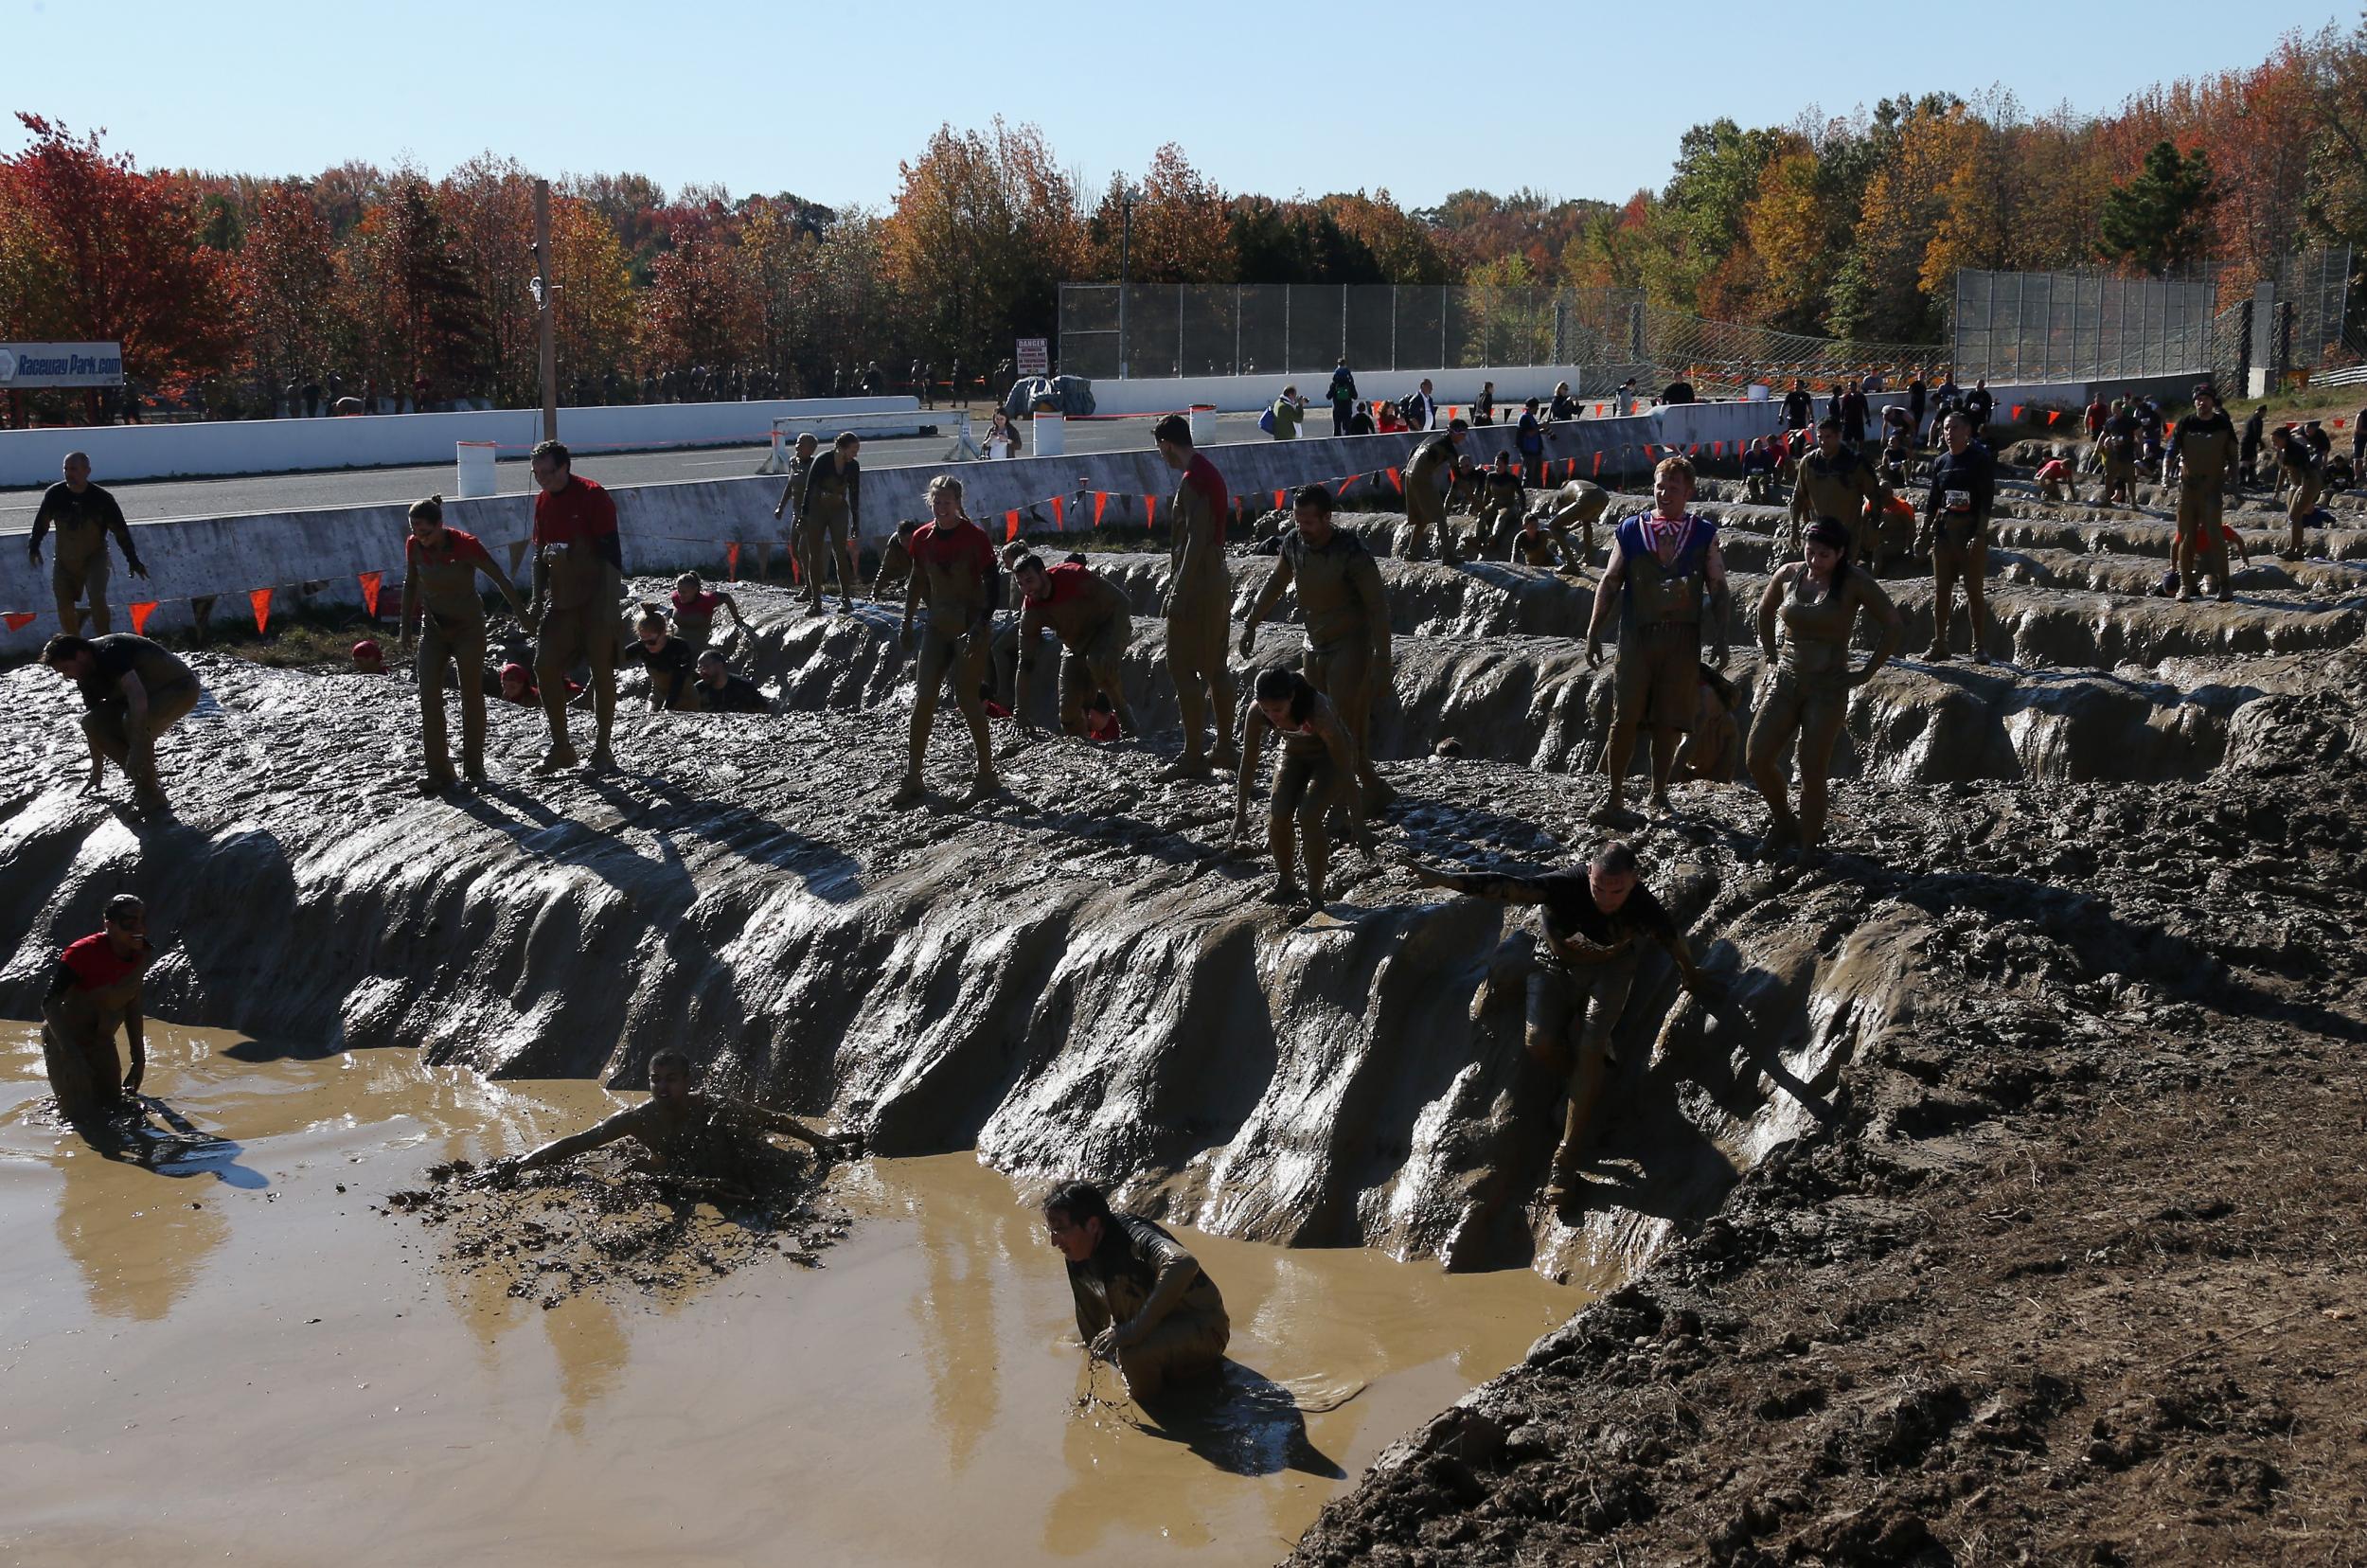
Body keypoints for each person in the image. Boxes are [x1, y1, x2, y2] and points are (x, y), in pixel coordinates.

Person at [1405, 840, 1722, 1205]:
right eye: (1599, 887)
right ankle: (1582, 1090)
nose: (1606, 898)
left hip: (1611, 971)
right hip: (1554, 964)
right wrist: (1446, 879)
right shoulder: (1565, 884)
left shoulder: (1642, 906)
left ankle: (1566, 1162)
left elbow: (1673, 941)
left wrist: (1691, 976)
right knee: (1537, 1041)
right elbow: (1506, 884)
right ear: (1589, 873)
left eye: (1616, 890)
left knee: (1592, 1046)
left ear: (1633, 881)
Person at [1746, 517, 1905, 862]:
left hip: (1827, 689)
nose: (1815, 560)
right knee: (1757, 756)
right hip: (1786, 681)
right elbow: (1764, 609)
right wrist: (1771, 656)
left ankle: (1808, 845)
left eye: (1824, 555)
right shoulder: (1789, 574)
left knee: (1811, 768)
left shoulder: (1854, 582)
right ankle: (1784, 821)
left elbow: (1893, 625)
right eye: (1810, 550)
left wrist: (1865, 673)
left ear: (1840, 554)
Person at [1584, 455, 1731, 823]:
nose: (1664, 494)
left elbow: (1719, 586)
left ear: (1689, 492)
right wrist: (1593, 630)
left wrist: (1723, 636)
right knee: (1625, 717)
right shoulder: (1631, 530)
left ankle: (1658, 794)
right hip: (1636, 639)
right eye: (1659, 487)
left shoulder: (1703, 535)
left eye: (1673, 488)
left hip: (1682, 642)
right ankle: (1614, 796)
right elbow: (1611, 581)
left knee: (1668, 721)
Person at [1239, 483, 1395, 811]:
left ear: (1327, 518)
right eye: (1297, 520)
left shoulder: (1351, 551)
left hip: (1350, 644)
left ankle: (1340, 804)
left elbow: (1378, 607)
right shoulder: (1294, 544)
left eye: (1309, 522)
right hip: (1314, 644)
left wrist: (1382, 659)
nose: (1302, 528)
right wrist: (1252, 622)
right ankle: (1373, 787)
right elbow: (1277, 582)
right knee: (1315, 723)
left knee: (1342, 726)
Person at [502, 1048, 858, 1187]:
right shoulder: (638, 1119)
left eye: (671, 1079)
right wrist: (522, 1163)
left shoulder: (712, 1105)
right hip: (674, 1169)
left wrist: (821, 1143)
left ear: (688, 1082)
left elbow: (772, 1120)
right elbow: (582, 1141)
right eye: (655, 1079)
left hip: (721, 1163)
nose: (662, 1087)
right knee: (656, 1170)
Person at [1043, 1180, 1229, 1401]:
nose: (1054, 1241)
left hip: (1206, 1328)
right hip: (1159, 1330)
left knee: (1133, 1356)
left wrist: (1134, 1329)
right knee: (1108, 1346)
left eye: (1060, 1229)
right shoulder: (1077, 1252)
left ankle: (1157, 1415)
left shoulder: (1134, 1236)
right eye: (1051, 1230)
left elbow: (1182, 1263)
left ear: (1092, 1225)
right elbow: (1091, 1328)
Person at [399, 493, 528, 793]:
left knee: (471, 696)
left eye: (427, 533)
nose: (421, 538)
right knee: (429, 698)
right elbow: (411, 583)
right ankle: (439, 771)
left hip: (469, 630)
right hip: (433, 630)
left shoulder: (466, 545)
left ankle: (474, 768)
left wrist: (524, 616)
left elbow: (500, 579)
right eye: (415, 532)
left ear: (441, 525)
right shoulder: (414, 546)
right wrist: (405, 627)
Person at [896, 473, 1000, 807]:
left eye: (947, 502)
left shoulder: (975, 538)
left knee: (967, 698)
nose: (941, 507)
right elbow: (916, 579)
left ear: (958, 503)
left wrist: (982, 622)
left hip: (970, 625)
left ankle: (986, 775)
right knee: (924, 697)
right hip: (937, 624)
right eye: (936, 501)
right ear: (931, 502)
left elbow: (994, 583)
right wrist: (908, 620)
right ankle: (914, 776)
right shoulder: (922, 538)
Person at [1230, 667, 1371, 911]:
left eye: (1278, 709)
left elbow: (1346, 768)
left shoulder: (1318, 711)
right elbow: (1248, 761)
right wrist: (1239, 814)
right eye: (1266, 710)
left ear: (1291, 698)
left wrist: (1358, 822)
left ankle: (1315, 894)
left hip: (1330, 758)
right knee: (1279, 813)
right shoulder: (1257, 712)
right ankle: (1286, 881)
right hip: (1293, 753)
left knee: (1309, 816)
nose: (1273, 716)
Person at [525, 439, 622, 771]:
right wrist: (536, 598)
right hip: (561, 598)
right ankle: (562, 746)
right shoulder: (541, 502)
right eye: (536, 474)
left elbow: (612, 553)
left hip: (596, 595)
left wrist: (611, 609)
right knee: (544, 666)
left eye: (548, 472)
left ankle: (603, 749)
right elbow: (538, 553)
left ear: (565, 467)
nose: (543, 479)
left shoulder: (593, 495)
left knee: (601, 668)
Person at [1153, 413, 1237, 777]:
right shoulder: (1208, 472)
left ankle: (1193, 755)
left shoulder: (1193, 481)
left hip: (1199, 581)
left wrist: (1178, 591)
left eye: (1160, 449)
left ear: (1166, 445)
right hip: (1214, 576)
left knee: (1181, 665)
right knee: (1216, 667)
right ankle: (1224, 747)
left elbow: (1195, 540)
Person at [42, 633, 205, 815]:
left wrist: (136, 746)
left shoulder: (110, 651)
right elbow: (94, 725)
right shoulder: (85, 677)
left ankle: (151, 795)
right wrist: (96, 772)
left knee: (132, 721)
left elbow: (137, 695)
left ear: (80, 655)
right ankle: (147, 788)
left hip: (180, 688)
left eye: (66, 668)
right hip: (145, 697)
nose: (66, 676)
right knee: (90, 722)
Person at [40, 894, 154, 1130]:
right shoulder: (81, 953)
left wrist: (139, 1058)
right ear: (108, 925)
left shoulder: (141, 954)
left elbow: (133, 1003)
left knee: (114, 1106)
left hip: (101, 1041)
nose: (139, 928)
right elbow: (49, 1004)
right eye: (129, 922)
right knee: (79, 1120)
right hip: (65, 1042)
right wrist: (73, 1056)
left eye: (142, 920)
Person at [1012, 552, 1137, 739]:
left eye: (1029, 580)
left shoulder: (1074, 577)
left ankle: (1126, 719)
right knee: (1068, 716)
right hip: (1074, 645)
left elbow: (1122, 603)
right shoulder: (1031, 611)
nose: (1026, 589)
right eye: (1020, 584)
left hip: (1106, 629)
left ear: (1043, 574)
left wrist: (1112, 649)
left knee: (1098, 662)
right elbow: (1026, 663)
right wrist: (1020, 712)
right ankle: (1086, 746)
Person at [27, 452, 148, 637]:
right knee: (64, 603)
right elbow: (41, 523)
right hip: (64, 560)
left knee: (97, 598)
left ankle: (104, 640)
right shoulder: (55, 494)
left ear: (87, 471)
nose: (68, 473)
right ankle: (75, 646)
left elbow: (121, 532)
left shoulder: (102, 499)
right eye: (65, 469)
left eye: (73, 469)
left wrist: (133, 560)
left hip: (95, 558)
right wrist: (34, 546)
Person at [1919, 411, 1997, 663]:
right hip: (1945, 534)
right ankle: (1940, 642)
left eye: (1953, 428)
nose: (1948, 433)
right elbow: (1933, 501)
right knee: (1941, 590)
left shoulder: (1979, 460)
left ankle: (1979, 646)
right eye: (1944, 429)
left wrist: (1981, 534)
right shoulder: (1940, 463)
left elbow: (1987, 500)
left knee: (1974, 590)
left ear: (1967, 432)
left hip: (1971, 533)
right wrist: (1923, 533)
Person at [2169, 383, 2240, 601]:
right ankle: (2185, 586)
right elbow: (2171, 451)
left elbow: (2233, 456)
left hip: (2212, 488)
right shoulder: (2185, 423)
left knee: (2215, 535)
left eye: (2206, 398)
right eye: (2198, 398)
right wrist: (2165, 477)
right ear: (2194, 401)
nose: (2202, 401)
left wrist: (2234, 484)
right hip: (2188, 488)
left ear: (2213, 401)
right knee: (2185, 538)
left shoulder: (2223, 424)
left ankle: (2225, 585)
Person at [1788, 416, 1886, 561]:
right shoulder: (1809, 463)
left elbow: (1875, 495)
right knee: (1819, 575)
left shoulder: (1855, 462)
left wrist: (1873, 527)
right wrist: (1794, 527)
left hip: (1847, 534)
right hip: (1819, 531)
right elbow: (1798, 496)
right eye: (1820, 437)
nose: (1823, 442)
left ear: (1838, 436)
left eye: (1828, 437)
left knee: (1843, 576)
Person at [797, 431, 863, 615]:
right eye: (853, 450)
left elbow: (855, 494)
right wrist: (804, 515)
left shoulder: (853, 467)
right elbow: (809, 489)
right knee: (815, 555)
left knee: (840, 554)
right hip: (818, 509)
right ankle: (816, 602)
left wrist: (856, 522)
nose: (855, 454)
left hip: (839, 510)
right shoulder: (823, 460)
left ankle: (846, 599)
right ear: (841, 448)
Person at [1401, 417, 1470, 564]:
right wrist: (1472, 497)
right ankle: (1448, 555)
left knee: (1422, 519)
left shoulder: (1432, 437)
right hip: (1421, 477)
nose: (1464, 438)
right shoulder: (1450, 450)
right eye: (1463, 434)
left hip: (1409, 473)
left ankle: (1411, 553)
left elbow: (1414, 449)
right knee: (1440, 516)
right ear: (1456, 433)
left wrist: (1406, 467)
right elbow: (1458, 478)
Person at [1670, 665, 1743, 784]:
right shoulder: (1686, 689)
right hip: (1706, 741)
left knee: (1717, 786)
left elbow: (1690, 739)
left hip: (1719, 739)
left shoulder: (1704, 693)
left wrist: (1668, 781)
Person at [620, 610, 700, 711]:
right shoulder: (643, 646)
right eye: (643, 641)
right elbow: (617, 658)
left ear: (663, 633)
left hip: (685, 697)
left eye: (651, 641)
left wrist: (666, 708)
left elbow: (678, 680)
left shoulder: (679, 647)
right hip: (657, 695)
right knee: (648, 718)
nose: (647, 646)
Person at [2269, 426, 2323, 561]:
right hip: (2295, 484)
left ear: (2284, 439)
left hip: (2309, 482)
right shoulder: (2280, 452)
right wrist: (2277, 490)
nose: (2273, 444)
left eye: (2275, 441)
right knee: (2293, 516)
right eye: (2272, 441)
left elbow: (2306, 470)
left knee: (2295, 516)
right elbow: (2282, 472)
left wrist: (2304, 489)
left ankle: (2292, 550)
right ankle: (2298, 551)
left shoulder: (2297, 450)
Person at [668, 571, 744, 649]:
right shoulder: (675, 598)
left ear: (695, 589)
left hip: (699, 644)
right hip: (678, 642)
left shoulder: (707, 601)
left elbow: (727, 597)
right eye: (679, 591)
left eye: (684, 592)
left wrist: (737, 619)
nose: (680, 595)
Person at [678, 650, 771, 713]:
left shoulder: (743, 686)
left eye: (705, 667)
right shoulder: (698, 690)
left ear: (719, 665)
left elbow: (764, 712)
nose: (702, 673)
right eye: (699, 669)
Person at [1544, 479, 1611, 565]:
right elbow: (1579, 517)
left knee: (1553, 525)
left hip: (1586, 496)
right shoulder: (1578, 484)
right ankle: (1588, 558)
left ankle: (1570, 563)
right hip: (1603, 497)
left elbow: (1561, 515)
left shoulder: (1562, 492)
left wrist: (1562, 528)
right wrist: (1570, 528)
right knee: (1586, 522)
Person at [1470, 452, 1526, 551]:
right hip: (1495, 503)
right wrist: (1483, 507)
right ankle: (1477, 538)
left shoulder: (1512, 479)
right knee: (1481, 515)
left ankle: (1493, 539)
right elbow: (1487, 494)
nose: (1497, 467)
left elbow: (1522, 495)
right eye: (1496, 464)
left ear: (1505, 465)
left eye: (1500, 465)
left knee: (1501, 517)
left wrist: (1522, 510)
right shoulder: (1490, 476)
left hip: (1508, 505)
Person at [773, 430, 819, 548]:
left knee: (805, 548)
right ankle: (802, 567)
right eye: (797, 443)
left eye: (802, 445)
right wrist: (780, 507)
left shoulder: (815, 466)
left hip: (811, 514)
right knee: (794, 548)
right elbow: (789, 486)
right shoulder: (793, 462)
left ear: (811, 450)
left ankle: (814, 567)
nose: (797, 447)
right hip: (797, 513)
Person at [1514, 398, 1546, 486]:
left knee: (1537, 477)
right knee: (1528, 477)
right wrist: (1540, 426)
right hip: (1528, 453)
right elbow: (1529, 434)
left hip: (1536, 452)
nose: (1538, 409)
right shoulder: (1524, 418)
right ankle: (1525, 495)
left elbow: (1533, 432)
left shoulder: (1530, 417)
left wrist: (1541, 431)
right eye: (1537, 407)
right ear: (1532, 407)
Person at [1742, 437, 1778, 504]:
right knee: (1749, 481)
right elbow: (1745, 468)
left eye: (1758, 446)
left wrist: (1775, 480)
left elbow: (1773, 467)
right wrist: (1744, 480)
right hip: (1753, 475)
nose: (1756, 449)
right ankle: (1752, 497)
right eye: (1754, 446)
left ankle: (1763, 496)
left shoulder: (1766, 454)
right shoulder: (1748, 454)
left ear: (1761, 447)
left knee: (1762, 481)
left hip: (1765, 475)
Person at [1327, 360, 1358, 437]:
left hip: (1337, 409)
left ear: (1338, 365)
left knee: (1337, 429)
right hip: (1347, 409)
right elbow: (1355, 396)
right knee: (1348, 429)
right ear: (1345, 365)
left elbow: (1328, 396)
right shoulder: (1349, 382)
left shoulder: (1335, 383)